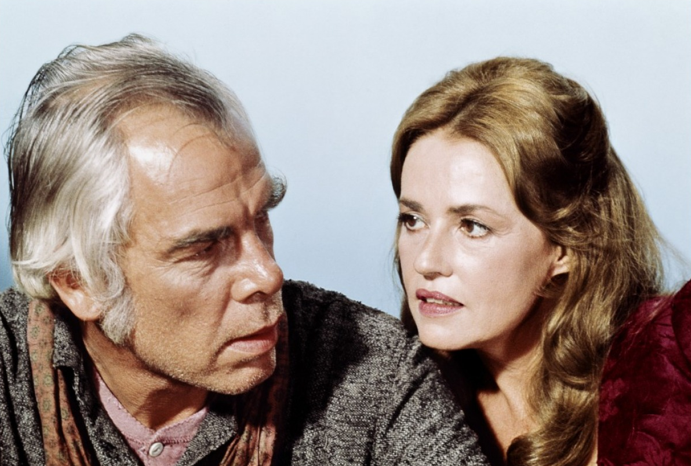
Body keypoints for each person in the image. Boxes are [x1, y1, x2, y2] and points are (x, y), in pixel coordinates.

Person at [0, 34, 488, 466]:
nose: (268, 274)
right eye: (205, 249)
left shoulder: (371, 370)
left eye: (262, 218)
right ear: (79, 282)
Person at [389, 56, 690, 466]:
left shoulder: (670, 360)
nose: (426, 260)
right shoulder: (395, 401)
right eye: (413, 220)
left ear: (568, 244)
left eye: (473, 226)